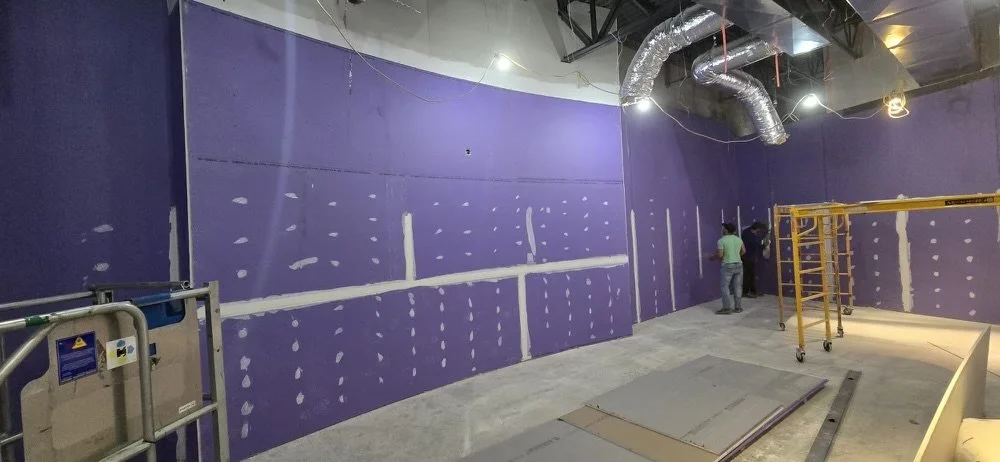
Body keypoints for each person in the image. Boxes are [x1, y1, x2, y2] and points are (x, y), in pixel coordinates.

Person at [709, 223, 745, 314]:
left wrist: (712, 257)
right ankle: (738, 308)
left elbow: (720, 255)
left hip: (727, 266)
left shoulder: (721, 241)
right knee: (738, 287)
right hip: (739, 265)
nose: (722, 229)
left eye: (723, 228)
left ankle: (727, 308)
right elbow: (744, 251)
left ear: (726, 230)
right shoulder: (738, 239)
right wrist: (736, 256)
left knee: (725, 287)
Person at [740, 222, 770, 298]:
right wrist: (764, 245)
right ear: (757, 229)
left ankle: (751, 291)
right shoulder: (748, 235)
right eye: (759, 231)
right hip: (747, 257)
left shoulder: (747, 231)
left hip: (749, 256)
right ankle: (747, 292)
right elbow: (755, 245)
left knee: (750, 274)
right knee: (749, 275)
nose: (759, 233)